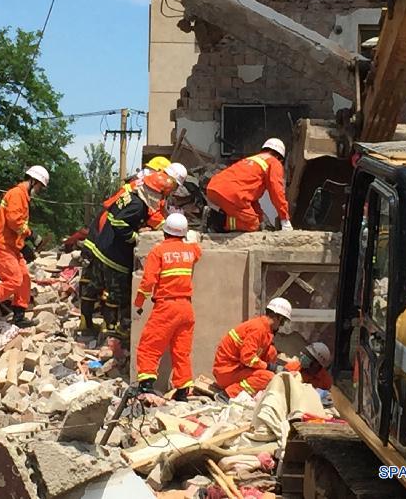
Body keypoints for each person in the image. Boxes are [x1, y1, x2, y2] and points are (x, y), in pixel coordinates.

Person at [80, 163, 188, 338]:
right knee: (118, 293)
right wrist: (137, 237)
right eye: (173, 187)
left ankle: (86, 322)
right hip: (114, 254)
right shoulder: (138, 204)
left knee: (94, 286)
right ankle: (111, 330)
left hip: (103, 246)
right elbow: (119, 223)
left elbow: (154, 216)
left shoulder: (137, 192)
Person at [134, 213, 201, 401]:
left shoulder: (158, 252)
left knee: (149, 346)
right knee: (181, 351)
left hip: (166, 306)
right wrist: (192, 239)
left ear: (164, 232)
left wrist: (138, 303)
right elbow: (197, 250)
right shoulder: (191, 251)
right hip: (186, 308)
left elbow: (148, 282)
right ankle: (182, 391)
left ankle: (146, 385)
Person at [0, 165, 50, 328]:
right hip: (1, 245)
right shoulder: (17, 194)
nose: (39, 190)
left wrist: (23, 246)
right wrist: (32, 236)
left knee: (24, 278)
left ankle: (19, 316)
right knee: (14, 279)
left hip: (11, 245)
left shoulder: (22, 196)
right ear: (33, 181)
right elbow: (14, 221)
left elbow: (16, 227)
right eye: (39, 186)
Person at [206, 138, 291, 232]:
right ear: (279, 157)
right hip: (232, 195)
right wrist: (284, 219)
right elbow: (277, 192)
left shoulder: (252, 160)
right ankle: (218, 222)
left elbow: (251, 200)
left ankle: (217, 216)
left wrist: (261, 219)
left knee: (250, 218)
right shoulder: (274, 162)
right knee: (252, 224)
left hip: (214, 187)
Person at [212, 297, 292, 398]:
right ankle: (228, 395)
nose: (280, 326)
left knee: (271, 352)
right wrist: (269, 367)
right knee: (267, 377)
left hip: (235, 369)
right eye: (282, 322)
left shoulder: (265, 330)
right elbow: (247, 358)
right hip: (227, 372)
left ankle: (243, 390)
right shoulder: (258, 329)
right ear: (278, 317)